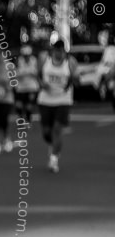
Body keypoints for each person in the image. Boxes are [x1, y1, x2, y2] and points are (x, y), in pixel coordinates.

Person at [37, 38, 77, 173]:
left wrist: (77, 78)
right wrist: (42, 84)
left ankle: (54, 159)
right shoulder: (44, 59)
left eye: (61, 51)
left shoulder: (70, 62)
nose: (58, 53)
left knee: (57, 129)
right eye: (56, 50)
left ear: (64, 51)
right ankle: (52, 145)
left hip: (63, 99)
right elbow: (38, 76)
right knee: (46, 132)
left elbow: (75, 79)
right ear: (53, 50)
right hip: (46, 99)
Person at [13, 44, 39, 125]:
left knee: (29, 106)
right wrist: (27, 73)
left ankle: (28, 120)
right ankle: (21, 119)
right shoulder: (19, 61)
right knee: (19, 105)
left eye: (27, 55)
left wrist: (24, 73)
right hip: (21, 87)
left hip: (32, 87)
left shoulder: (34, 60)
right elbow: (16, 74)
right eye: (25, 55)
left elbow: (36, 73)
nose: (26, 57)